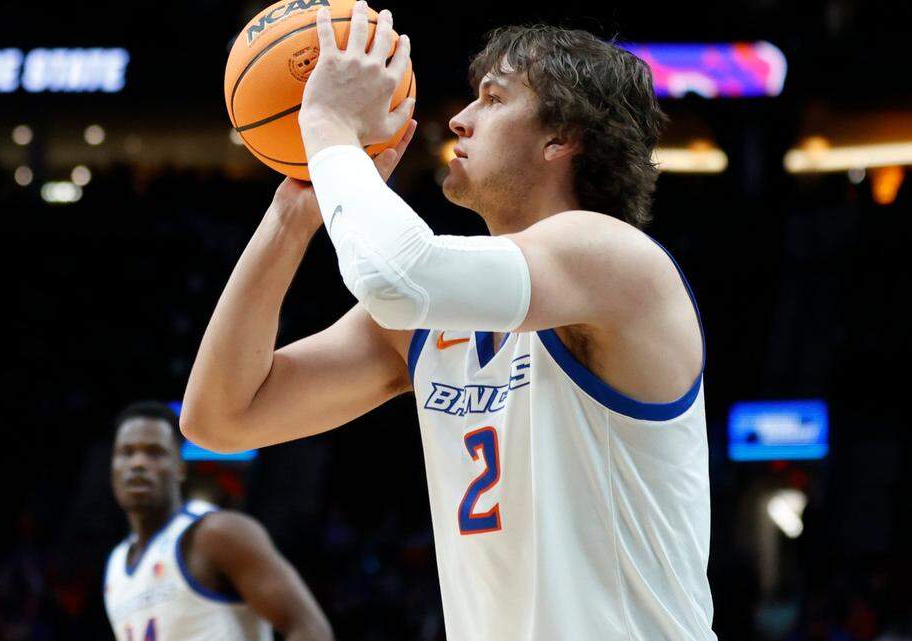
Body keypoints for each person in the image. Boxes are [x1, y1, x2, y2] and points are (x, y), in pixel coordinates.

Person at [184, 5, 714, 640]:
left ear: (560, 137)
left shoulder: (615, 261)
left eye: (493, 99)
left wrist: (327, 124)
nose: (458, 118)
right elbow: (220, 416)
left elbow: (397, 277)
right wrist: (294, 212)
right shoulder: (436, 317)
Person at [104, 401, 332, 641]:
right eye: (127, 452)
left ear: (180, 467)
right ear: (112, 466)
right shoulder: (115, 566)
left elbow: (311, 629)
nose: (138, 463)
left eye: (155, 452)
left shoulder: (218, 533)